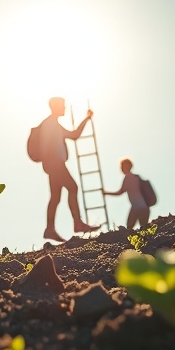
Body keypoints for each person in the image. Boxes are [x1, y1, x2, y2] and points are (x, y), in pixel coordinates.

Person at [37, 97, 100, 242]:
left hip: (54, 164)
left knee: (55, 197)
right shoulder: (50, 124)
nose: (64, 108)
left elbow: (74, 135)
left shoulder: (55, 125)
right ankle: (77, 223)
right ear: (56, 106)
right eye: (63, 106)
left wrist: (87, 118)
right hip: (55, 163)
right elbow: (44, 145)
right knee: (73, 188)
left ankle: (50, 229)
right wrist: (48, 163)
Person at [104, 157, 150, 229]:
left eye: (122, 166)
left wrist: (106, 193)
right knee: (142, 228)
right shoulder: (136, 177)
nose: (121, 168)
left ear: (128, 166)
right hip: (143, 207)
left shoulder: (128, 177)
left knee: (130, 228)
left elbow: (120, 192)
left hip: (138, 207)